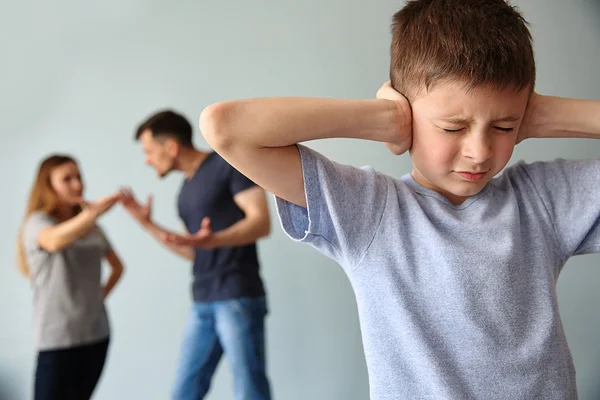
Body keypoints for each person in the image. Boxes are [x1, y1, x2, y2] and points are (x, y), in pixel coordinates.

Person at [197, 0, 600, 398]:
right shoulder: (370, 211)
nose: (479, 151)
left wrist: (548, 114)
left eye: (504, 125)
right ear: (406, 113)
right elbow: (226, 127)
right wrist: (382, 119)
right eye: (453, 127)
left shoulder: (541, 201)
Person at [122, 110, 272, 400]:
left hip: (237, 295)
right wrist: (147, 224)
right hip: (203, 300)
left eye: (149, 151)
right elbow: (195, 251)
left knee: (250, 390)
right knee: (184, 391)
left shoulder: (228, 165)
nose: (147, 160)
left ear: (172, 147)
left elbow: (261, 222)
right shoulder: (185, 192)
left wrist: (216, 239)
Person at [18, 154, 124, 400]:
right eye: (67, 179)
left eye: (79, 176)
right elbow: (53, 241)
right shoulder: (38, 223)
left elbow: (118, 267)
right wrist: (91, 214)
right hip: (57, 338)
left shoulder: (92, 227)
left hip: (96, 334)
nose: (78, 184)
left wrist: (98, 297)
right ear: (48, 186)